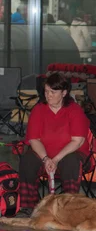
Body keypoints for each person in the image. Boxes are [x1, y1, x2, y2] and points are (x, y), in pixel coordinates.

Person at [17, 73, 90, 217]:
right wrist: (46, 159)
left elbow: (77, 141)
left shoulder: (75, 110)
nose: (48, 95)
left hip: (69, 153)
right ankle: (28, 206)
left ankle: (69, 206)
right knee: (27, 161)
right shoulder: (38, 110)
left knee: (71, 162)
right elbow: (34, 140)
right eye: (46, 91)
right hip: (44, 153)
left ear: (64, 93)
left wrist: (55, 159)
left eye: (53, 92)